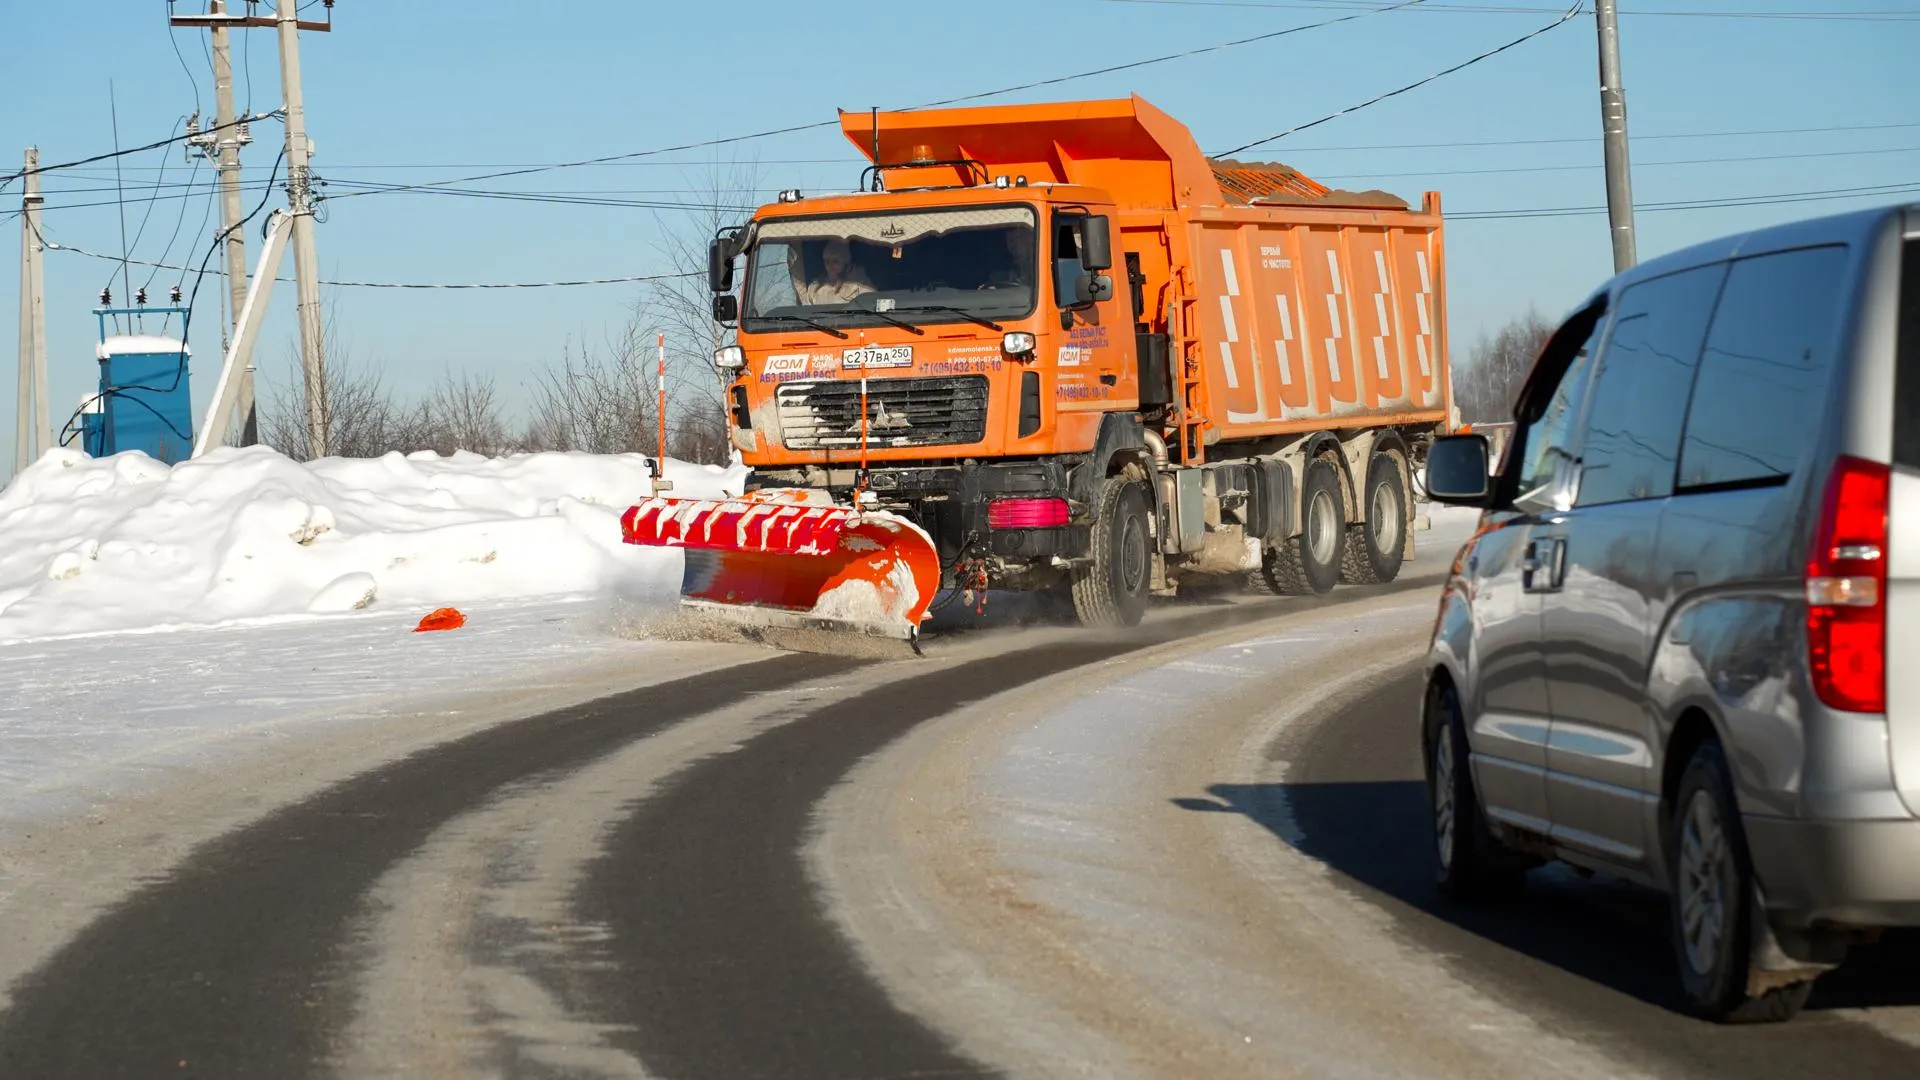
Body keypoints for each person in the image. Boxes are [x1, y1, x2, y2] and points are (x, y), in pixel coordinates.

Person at [796, 237, 874, 304]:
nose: (830, 265)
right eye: (827, 261)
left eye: (835, 261)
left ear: (845, 262)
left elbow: (871, 304)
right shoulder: (814, 288)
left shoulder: (860, 284)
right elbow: (807, 311)